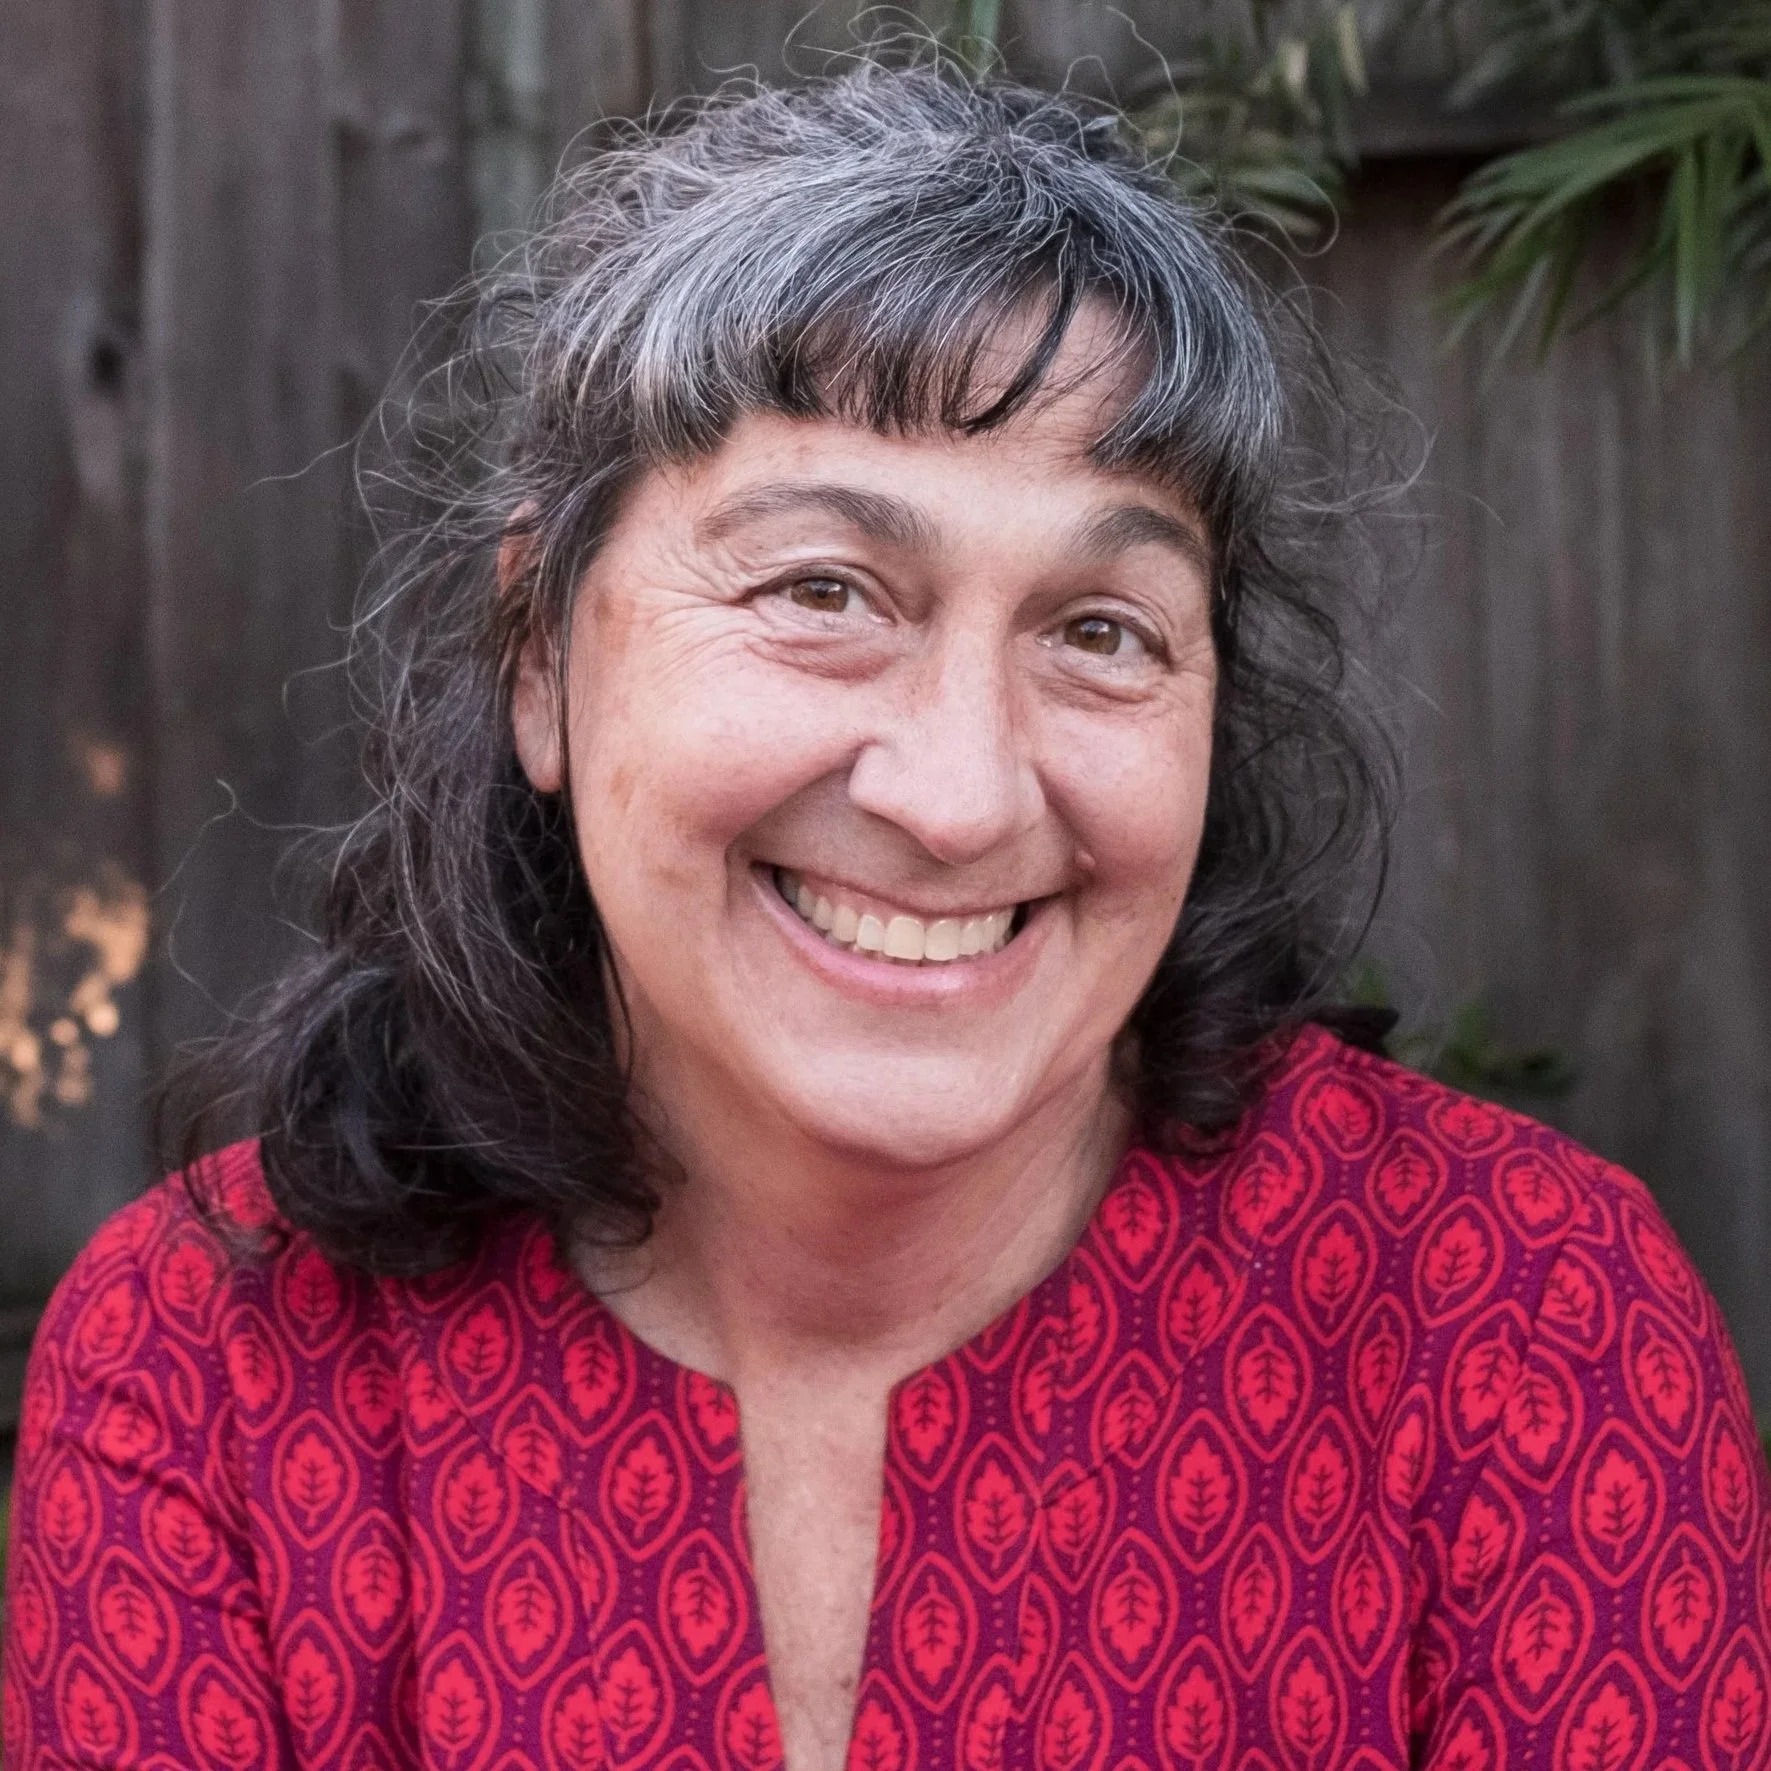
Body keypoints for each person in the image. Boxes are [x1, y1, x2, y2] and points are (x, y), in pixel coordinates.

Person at [5, 61, 1768, 1771]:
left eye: (1100, 630)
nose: (959, 793)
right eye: (823, 590)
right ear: (540, 653)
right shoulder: (213, 1367)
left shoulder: (1521, 1325)